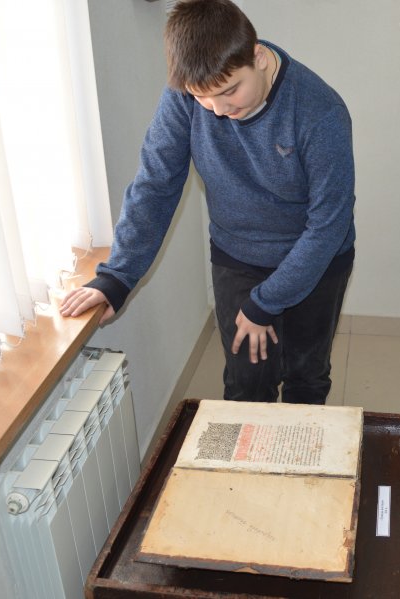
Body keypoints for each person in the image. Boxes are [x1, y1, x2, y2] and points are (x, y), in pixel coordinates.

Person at [60, 0, 355, 405]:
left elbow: (328, 225)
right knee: (247, 385)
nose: (219, 110)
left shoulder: (320, 112)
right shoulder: (185, 96)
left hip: (317, 260)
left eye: (230, 91)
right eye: (203, 98)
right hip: (238, 255)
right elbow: (155, 184)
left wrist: (265, 303)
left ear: (258, 57)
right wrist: (118, 276)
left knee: (306, 377)